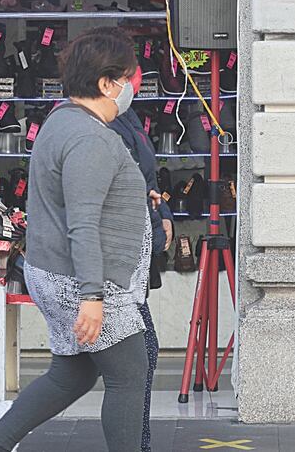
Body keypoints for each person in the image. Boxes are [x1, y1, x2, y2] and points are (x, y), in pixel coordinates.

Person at [0, 28, 152, 452]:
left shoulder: (63, 119)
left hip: (56, 271)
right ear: (107, 83)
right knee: (129, 375)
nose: (132, 84)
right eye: (128, 75)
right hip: (83, 279)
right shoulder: (90, 138)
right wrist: (92, 297)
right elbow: (82, 222)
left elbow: (77, 196)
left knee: (72, 375)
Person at [110, 101, 174, 452]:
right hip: (108, 268)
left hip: (131, 261)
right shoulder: (89, 126)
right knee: (140, 356)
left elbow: (145, 180)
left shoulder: (128, 117)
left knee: (70, 377)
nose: (131, 83)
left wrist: (161, 213)